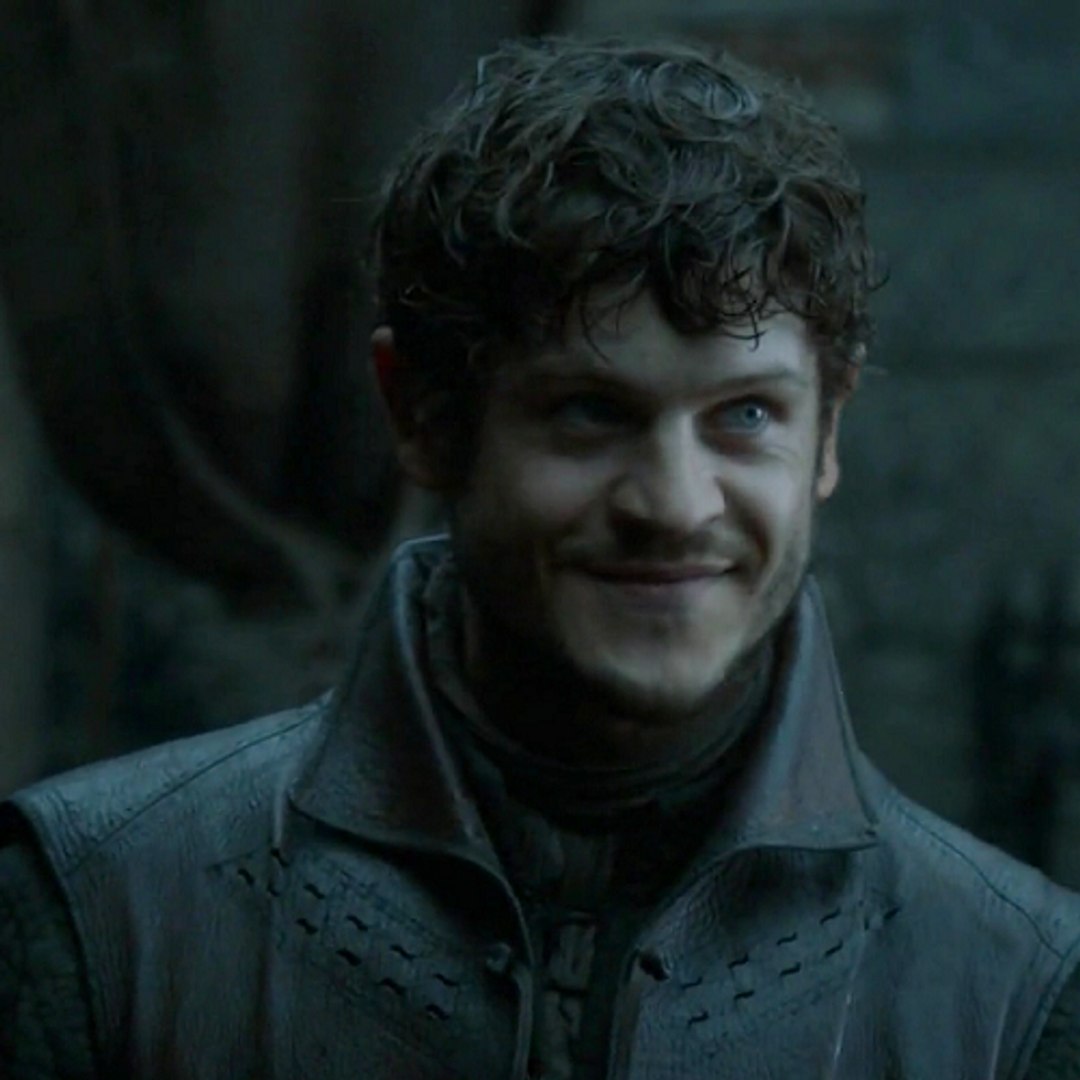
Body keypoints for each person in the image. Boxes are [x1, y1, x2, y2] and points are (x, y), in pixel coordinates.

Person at [2, 36, 1079, 1080]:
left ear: (827, 433)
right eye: (589, 412)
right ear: (423, 414)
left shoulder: (1013, 993)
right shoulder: (97, 915)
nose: (674, 505)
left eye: (746, 414)